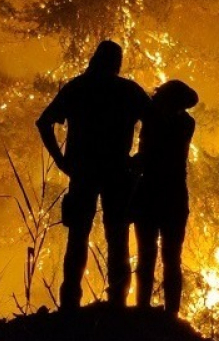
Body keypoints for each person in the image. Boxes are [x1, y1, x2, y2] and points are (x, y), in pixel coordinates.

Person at [36, 40, 150, 311]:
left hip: (83, 171)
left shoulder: (78, 88)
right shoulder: (128, 90)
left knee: (78, 236)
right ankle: (118, 304)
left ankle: (70, 306)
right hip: (118, 172)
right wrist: (141, 157)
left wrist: (61, 160)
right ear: (116, 62)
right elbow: (156, 121)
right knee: (118, 237)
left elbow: (44, 122)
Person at [131, 79, 198, 317]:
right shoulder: (187, 123)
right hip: (175, 197)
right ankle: (171, 315)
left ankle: (142, 309)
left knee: (147, 255)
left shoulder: (155, 120)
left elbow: (146, 156)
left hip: (150, 194)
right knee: (171, 258)